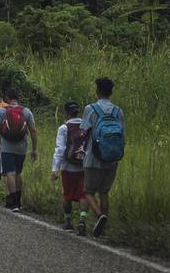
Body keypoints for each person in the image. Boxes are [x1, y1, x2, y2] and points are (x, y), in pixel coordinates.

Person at [80, 77, 125, 237]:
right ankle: (104, 229)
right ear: (111, 92)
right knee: (104, 191)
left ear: (97, 90)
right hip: (112, 157)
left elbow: (84, 131)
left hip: (93, 156)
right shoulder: (118, 111)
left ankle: (100, 215)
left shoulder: (90, 109)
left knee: (88, 191)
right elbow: (123, 135)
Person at [0, 89, 37, 212]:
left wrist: (0, 138)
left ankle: (13, 203)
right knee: (18, 173)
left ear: (7, 98)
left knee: (10, 173)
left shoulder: (2, 110)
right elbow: (33, 130)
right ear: (18, 98)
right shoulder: (26, 111)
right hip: (22, 146)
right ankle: (19, 200)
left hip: (7, 146)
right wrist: (34, 149)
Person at [51, 101, 89, 232]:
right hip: (84, 167)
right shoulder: (86, 126)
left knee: (67, 196)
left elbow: (60, 149)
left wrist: (54, 169)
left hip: (67, 168)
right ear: (77, 111)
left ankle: (68, 222)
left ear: (66, 113)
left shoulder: (64, 128)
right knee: (84, 195)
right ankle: (82, 221)